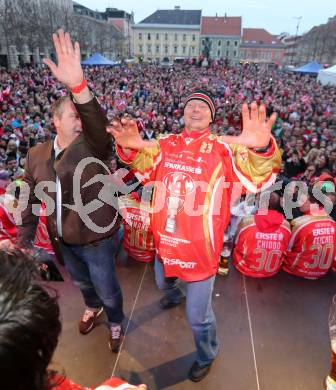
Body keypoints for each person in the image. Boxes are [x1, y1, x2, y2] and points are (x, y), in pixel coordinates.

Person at [110, 89, 281, 381]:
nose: (196, 109)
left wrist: (262, 149)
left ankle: (206, 354)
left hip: (201, 249)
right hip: (166, 243)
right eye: (191, 105)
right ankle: (174, 294)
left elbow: (258, 174)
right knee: (164, 283)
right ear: (183, 112)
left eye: (203, 106)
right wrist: (128, 149)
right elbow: (140, 162)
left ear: (212, 117)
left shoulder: (225, 147)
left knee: (198, 319)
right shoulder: (165, 143)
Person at [16, 30, 124, 352]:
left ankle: (116, 321)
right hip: (63, 240)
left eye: (81, 117)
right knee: (82, 285)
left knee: (107, 288)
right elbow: (28, 197)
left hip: (97, 241)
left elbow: (96, 126)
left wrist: (79, 88)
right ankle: (93, 308)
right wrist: (24, 239)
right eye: (72, 117)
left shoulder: (93, 145)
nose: (79, 122)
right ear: (55, 121)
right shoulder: (35, 155)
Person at [0, 250, 147, 390]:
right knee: (85, 281)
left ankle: (113, 321)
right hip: (68, 238)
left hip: (93, 238)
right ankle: (95, 307)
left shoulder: (25, 376)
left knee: (104, 285)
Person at [233, 191, 291, 277]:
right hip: (272, 270)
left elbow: (236, 243)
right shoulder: (286, 225)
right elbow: (287, 248)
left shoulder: (247, 222)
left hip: (244, 268)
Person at [283, 190, 336, 279]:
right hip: (322, 273)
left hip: (297, 270)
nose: (299, 204)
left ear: (314, 202)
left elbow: (288, 248)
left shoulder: (299, 223)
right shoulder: (333, 222)